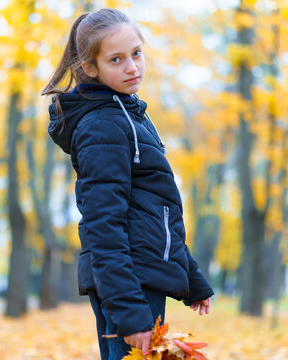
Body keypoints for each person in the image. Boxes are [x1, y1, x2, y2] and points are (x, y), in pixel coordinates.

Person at [42, 8, 213, 360]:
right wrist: (130, 315)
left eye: (136, 53)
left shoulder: (130, 114)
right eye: (116, 59)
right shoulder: (102, 126)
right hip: (126, 281)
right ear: (91, 68)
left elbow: (155, 210)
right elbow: (104, 225)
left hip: (142, 274)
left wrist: (192, 278)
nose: (132, 67)